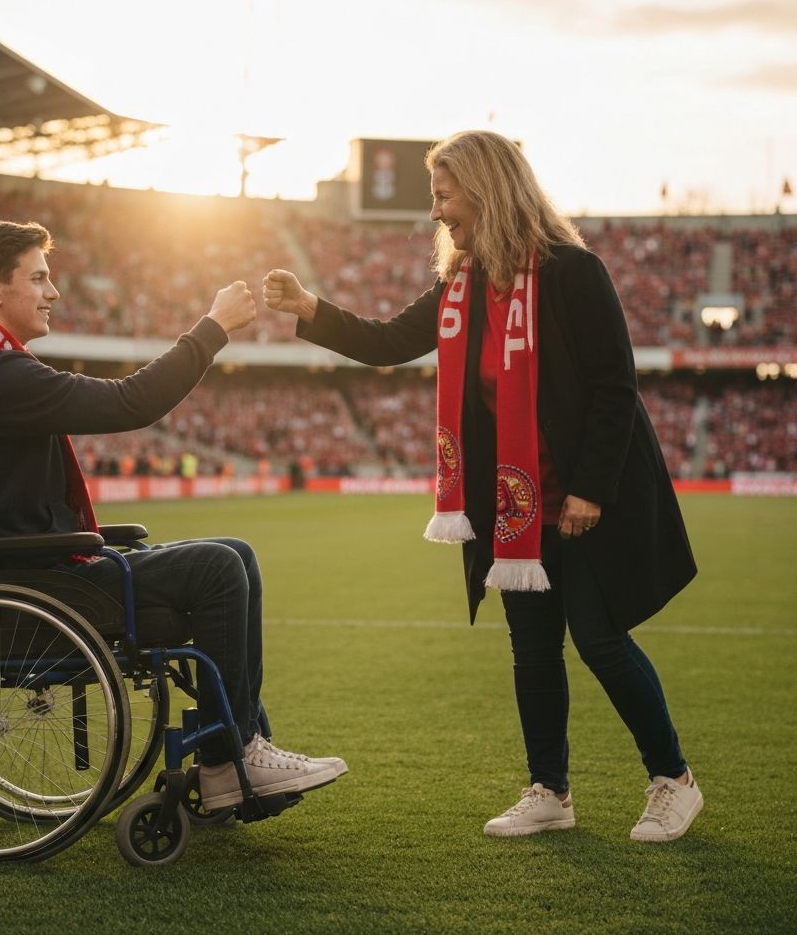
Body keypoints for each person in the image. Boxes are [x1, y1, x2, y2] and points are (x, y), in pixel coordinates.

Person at [263, 131, 701, 842]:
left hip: (580, 504)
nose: (436, 211)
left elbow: (615, 387)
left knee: (601, 641)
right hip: (513, 510)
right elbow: (387, 341)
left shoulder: (574, 273)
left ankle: (673, 780)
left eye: (444, 195)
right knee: (532, 651)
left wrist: (590, 488)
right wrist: (310, 307)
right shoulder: (460, 286)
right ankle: (550, 791)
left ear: (487, 190)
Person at [0, 218, 346, 810]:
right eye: (37, 278)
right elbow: (131, 402)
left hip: (32, 571)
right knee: (219, 567)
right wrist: (213, 328)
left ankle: (238, 748)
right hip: (41, 585)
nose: (53, 291)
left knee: (235, 555)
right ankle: (228, 759)